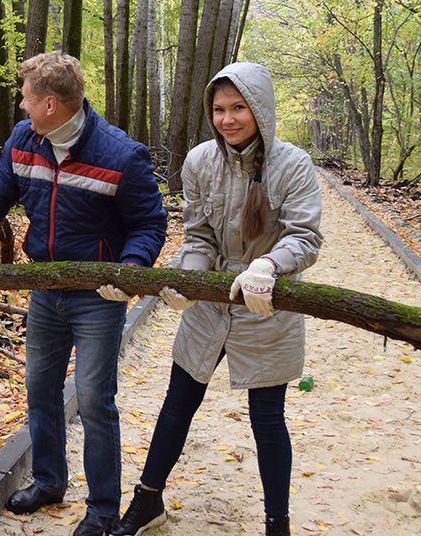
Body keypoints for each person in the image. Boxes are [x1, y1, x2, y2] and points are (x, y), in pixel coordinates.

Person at [0, 52, 167, 536]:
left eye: (25, 98)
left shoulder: (121, 154)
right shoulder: (25, 141)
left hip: (98, 297)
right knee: (40, 390)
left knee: (93, 399)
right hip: (44, 289)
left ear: (51, 105)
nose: (19, 106)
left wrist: (130, 269)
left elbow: (148, 224)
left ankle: (103, 509)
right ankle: (48, 481)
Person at [111, 62, 322, 536]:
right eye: (220, 109)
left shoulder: (293, 165)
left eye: (239, 108)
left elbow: (305, 237)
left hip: (269, 304)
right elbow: (198, 234)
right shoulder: (200, 161)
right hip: (210, 306)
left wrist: (268, 265)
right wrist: (189, 280)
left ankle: (277, 524)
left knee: (268, 420)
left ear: (260, 109)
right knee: (178, 402)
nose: (228, 119)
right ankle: (148, 502)